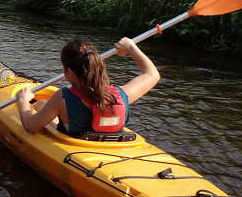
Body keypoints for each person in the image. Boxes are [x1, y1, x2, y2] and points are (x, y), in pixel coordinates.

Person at [15, 37, 160, 137]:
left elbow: (29, 126)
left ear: (70, 72)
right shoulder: (122, 95)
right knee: (41, 104)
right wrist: (131, 48)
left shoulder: (62, 98)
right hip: (110, 145)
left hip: (77, 144)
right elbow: (152, 74)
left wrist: (23, 100)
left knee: (39, 105)